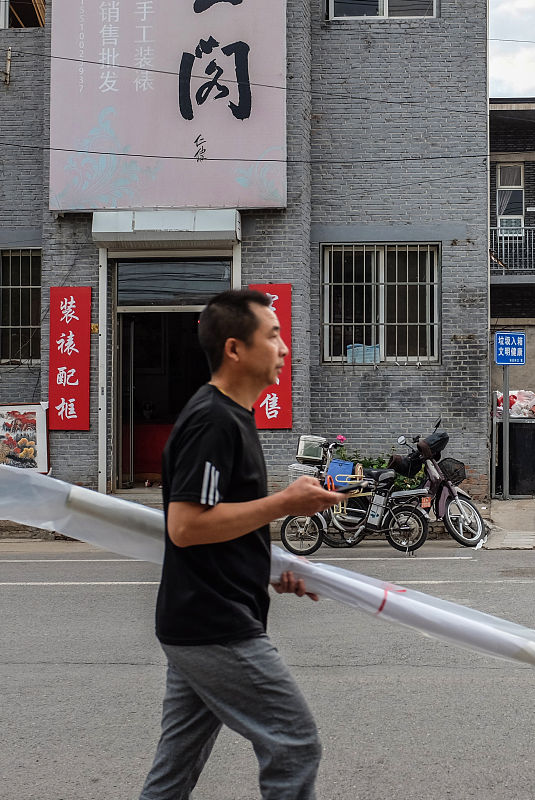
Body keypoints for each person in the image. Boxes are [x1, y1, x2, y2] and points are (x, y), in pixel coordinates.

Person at [139, 289, 344, 800]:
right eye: (273, 336)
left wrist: (268, 569)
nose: (284, 349)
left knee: (173, 772)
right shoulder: (213, 419)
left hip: (199, 620)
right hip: (215, 625)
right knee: (295, 743)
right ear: (235, 348)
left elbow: (220, 527)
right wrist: (283, 503)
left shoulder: (231, 416)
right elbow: (186, 525)